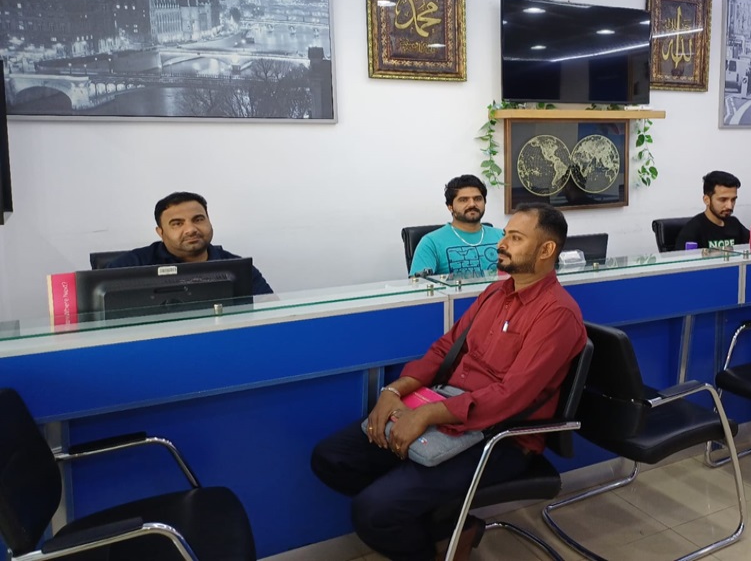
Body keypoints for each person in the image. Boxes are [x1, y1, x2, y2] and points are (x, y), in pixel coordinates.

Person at [312, 203, 587, 561]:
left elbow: (510, 396)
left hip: (501, 436)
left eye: (516, 238)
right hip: (448, 408)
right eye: (505, 234)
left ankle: (431, 543)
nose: (501, 244)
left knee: (373, 513)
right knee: (332, 458)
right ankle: (447, 529)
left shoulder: (557, 314)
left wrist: (426, 415)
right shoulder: (495, 293)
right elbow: (446, 348)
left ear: (546, 249)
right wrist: (394, 391)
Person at [106, 191, 273, 295]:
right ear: (160, 232)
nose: (191, 229)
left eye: (198, 219)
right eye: (177, 223)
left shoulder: (238, 268)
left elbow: (269, 312)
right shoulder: (129, 266)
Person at [409, 174, 504, 278]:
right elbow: (418, 284)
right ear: (450, 206)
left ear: (484, 202)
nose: (472, 204)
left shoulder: (503, 236)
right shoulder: (431, 243)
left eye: (477, 199)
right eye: (463, 200)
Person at [675, 170, 750, 250]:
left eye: (733, 199)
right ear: (706, 200)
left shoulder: (734, 223)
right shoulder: (692, 230)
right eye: (723, 200)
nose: (730, 206)